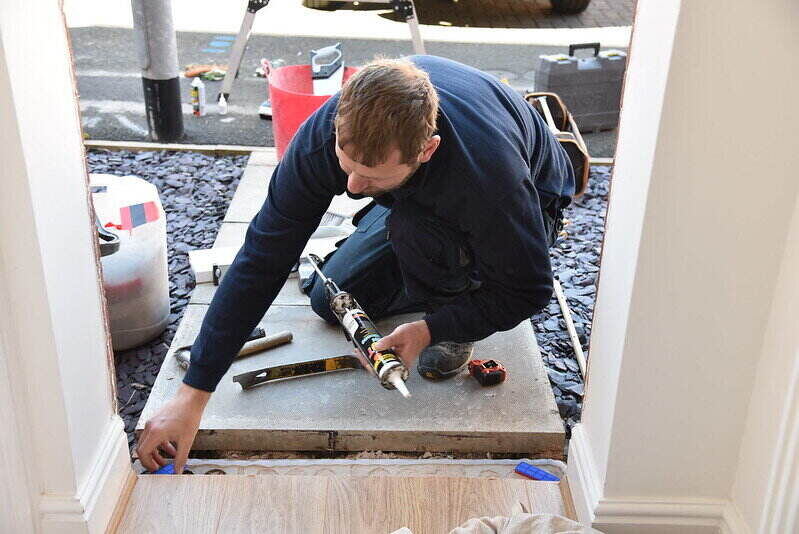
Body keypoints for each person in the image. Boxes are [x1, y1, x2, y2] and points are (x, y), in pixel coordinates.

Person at [137, 55, 575, 473]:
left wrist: (433, 328)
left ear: (427, 149)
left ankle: (458, 301)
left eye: (372, 177)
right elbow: (261, 258)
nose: (352, 187)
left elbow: (529, 289)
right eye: (348, 168)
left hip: (530, 204)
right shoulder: (327, 136)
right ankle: (423, 243)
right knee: (331, 301)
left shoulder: (487, 179)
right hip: (423, 189)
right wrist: (193, 395)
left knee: (417, 235)